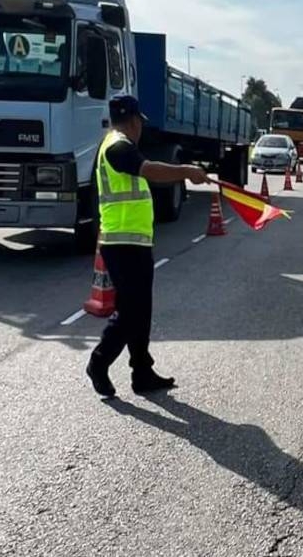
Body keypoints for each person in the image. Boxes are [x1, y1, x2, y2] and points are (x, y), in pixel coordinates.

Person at [85, 95, 209, 397]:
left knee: (141, 311)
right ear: (134, 121)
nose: (141, 127)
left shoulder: (119, 146)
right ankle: (98, 363)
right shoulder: (117, 146)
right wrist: (186, 171)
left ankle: (142, 371)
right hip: (121, 242)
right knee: (130, 313)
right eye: (140, 122)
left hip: (134, 242)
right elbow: (150, 169)